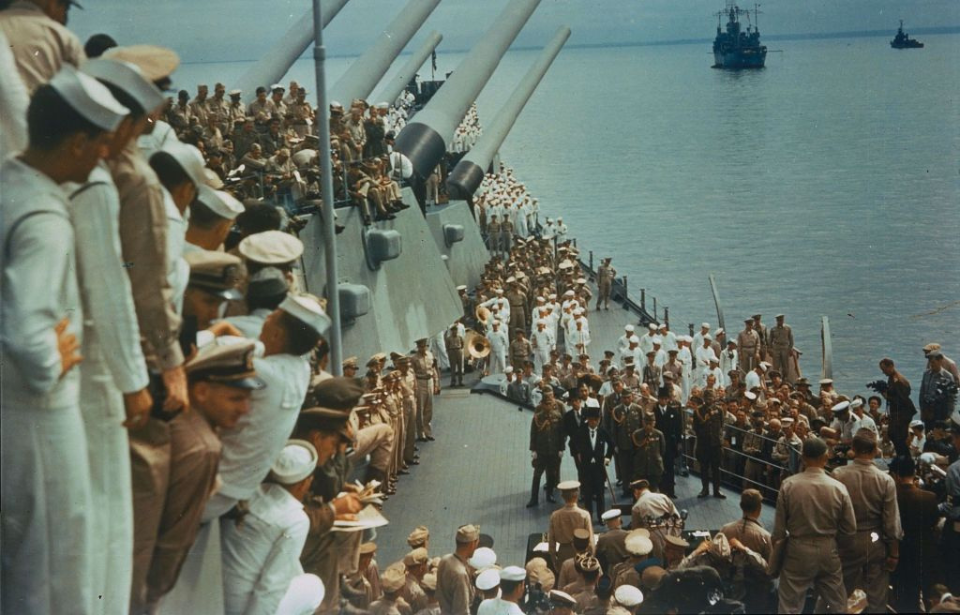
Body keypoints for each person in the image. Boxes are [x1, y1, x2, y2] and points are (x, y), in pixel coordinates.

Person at [1, 64, 128, 615]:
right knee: (55, 564)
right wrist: (55, 356)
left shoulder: (10, 180)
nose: (105, 156)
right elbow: (28, 333)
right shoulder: (46, 220)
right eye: (101, 144)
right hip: (40, 414)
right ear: (78, 141)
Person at [220, 440, 325, 615]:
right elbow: (271, 586)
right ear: (304, 483)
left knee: (294, 568)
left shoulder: (250, 492)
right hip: (243, 606)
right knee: (314, 585)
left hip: (220, 595)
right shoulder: (296, 519)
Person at [772, 437, 857, 614]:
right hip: (828, 549)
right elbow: (850, 529)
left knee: (790, 605)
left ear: (803, 457)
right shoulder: (838, 488)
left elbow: (779, 531)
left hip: (797, 549)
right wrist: (838, 548)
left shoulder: (789, 485)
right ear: (826, 457)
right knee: (837, 604)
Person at [888, 455, 940, 613]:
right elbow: (933, 523)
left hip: (902, 553)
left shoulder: (891, 499)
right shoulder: (930, 498)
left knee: (905, 599)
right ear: (915, 472)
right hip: (925, 552)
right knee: (926, 593)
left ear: (895, 475)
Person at [720, 489, 774, 612]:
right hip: (756, 593)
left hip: (730, 589)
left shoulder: (725, 529)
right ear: (759, 509)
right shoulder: (764, 536)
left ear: (741, 506)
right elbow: (770, 570)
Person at [576, 401, 615, 523]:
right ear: (588, 420)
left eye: (596, 420)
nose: (593, 422)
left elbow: (612, 444)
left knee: (600, 494)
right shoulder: (581, 431)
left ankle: (601, 517)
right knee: (587, 494)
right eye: (591, 420)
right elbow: (573, 444)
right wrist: (578, 454)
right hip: (586, 468)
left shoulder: (603, 431)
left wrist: (608, 457)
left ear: (599, 420)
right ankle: (588, 518)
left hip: (599, 468)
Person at [529, 387, 566, 507]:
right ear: (542, 404)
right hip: (541, 451)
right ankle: (533, 498)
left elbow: (561, 434)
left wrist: (561, 448)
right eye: (546, 404)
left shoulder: (558, 416)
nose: (548, 406)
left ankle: (549, 494)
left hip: (554, 450)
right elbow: (533, 434)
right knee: (537, 475)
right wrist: (533, 450)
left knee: (551, 474)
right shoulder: (537, 417)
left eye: (550, 404)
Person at [548, 481, 594, 571]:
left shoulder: (555, 515)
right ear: (577, 495)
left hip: (563, 554)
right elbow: (591, 542)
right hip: (581, 554)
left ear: (562, 496)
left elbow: (551, 543)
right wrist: (590, 558)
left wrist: (554, 561)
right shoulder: (584, 515)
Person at [436, 524, 480, 615]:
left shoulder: (445, 559)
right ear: (472, 544)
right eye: (476, 543)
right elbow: (461, 611)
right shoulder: (460, 574)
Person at [880, 357, 918, 457]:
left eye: (884, 370)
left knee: (898, 436)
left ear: (891, 366)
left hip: (902, 412)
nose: (884, 373)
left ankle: (904, 457)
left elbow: (901, 400)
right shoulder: (891, 378)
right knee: (893, 434)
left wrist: (886, 396)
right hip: (897, 412)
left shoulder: (898, 380)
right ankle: (902, 456)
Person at [653, 386, 683, 498]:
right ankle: (661, 490)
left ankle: (671, 491)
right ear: (658, 399)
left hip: (670, 444)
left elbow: (678, 428)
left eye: (666, 399)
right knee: (659, 467)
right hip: (657, 444)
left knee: (670, 467)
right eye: (662, 399)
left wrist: (679, 442)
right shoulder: (654, 411)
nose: (664, 401)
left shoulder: (673, 412)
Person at [693, 395, 726, 499]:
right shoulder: (698, 411)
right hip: (704, 444)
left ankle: (717, 490)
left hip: (716, 444)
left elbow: (721, 424)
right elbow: (696, 427)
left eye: (711, 397)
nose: (709, 399)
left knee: (716, 468)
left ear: (714, 398)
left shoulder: (719, 410)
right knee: (704, 467)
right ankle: (705, 489)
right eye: (707, 397)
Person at [412, 338, 439, 441]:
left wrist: (436, 383)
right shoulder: (414, 359)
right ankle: (421, 433)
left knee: (429, 408)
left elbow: (433, 369)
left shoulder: (430, 355)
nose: (423, 348)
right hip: (420, 382)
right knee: (420, 409)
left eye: (424, 346)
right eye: (421, 346)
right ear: (418, 347)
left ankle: (427, 431)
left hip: (430, 382)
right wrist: (414, 386)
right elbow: (413, 374)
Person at [632, 415, 665, 492]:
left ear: (655, 423)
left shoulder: (659, 434)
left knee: (653, 491)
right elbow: (633, 450)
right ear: (643, 422)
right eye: (646, 422)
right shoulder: (637, 434)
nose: (648, 425)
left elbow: (662, 451)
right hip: (641, 468)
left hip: (655, 468)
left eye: (651, 422)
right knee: (639, 491)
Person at [445, 323, 465, 387]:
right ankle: (453, 382)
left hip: (458, 350)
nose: (454, 332)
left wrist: (459, 349)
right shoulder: (448, 338)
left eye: (455, 330)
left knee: (460, 366)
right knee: (453, 367)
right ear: (451, 331)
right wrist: (449, 351)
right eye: (453, 330)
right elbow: (447, 346)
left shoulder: (460, 337)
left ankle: (460, 381)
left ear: (457, 331)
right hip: (452, 351)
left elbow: (462, 344)